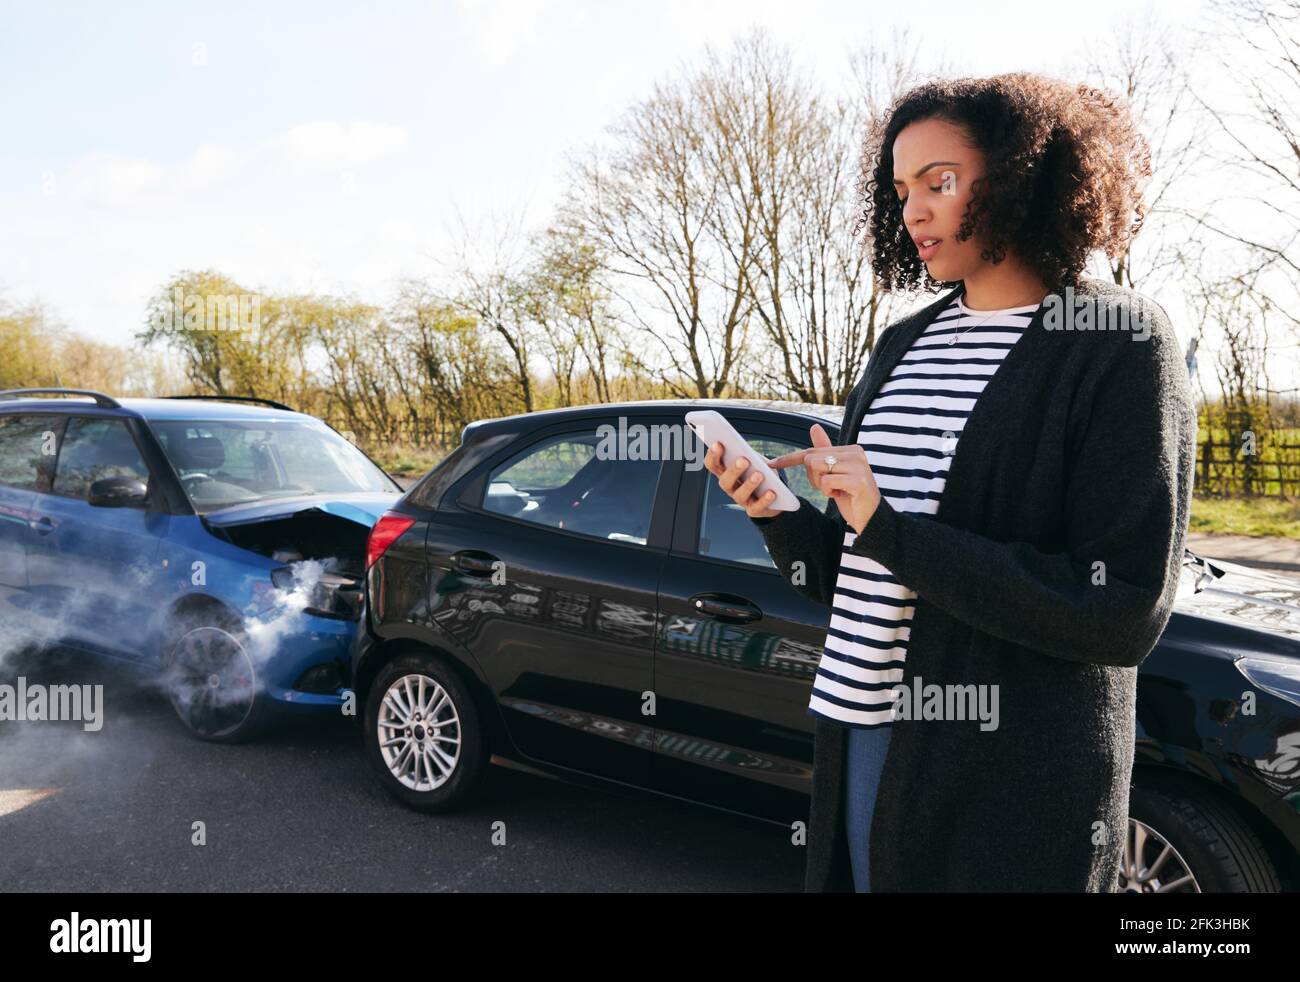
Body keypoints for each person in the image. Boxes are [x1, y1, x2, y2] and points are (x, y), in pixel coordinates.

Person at [704, 72, 1196, 892]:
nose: (915, 211)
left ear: (1023, 178)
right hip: (865, 739)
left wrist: (891, 526)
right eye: (901, 191)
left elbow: (1121, 612)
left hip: (1008, 776)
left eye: (941, 181)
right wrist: (783, 517)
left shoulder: (1118, 342)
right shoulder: (902, 346)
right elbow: (859, 578)